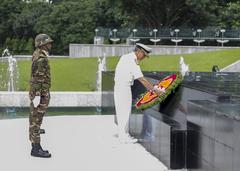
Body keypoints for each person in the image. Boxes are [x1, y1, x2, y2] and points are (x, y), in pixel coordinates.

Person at [114, 43, 164, 144]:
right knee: (124, 112)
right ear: (139, 51)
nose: (144, 58)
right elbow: (142, 80)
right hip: (123, 88)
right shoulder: (132, 61)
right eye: (144, 55)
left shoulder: (125, 57)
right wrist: (155, 90)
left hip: (120, 87)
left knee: (123, 111)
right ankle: (123, 137)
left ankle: (124, 134)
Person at [29, 33, 53, 158]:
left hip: (39, 92)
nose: (50, 44)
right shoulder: (41, 58)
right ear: (42, 44)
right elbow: (38, 78)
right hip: (40, 93)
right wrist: (39, 96)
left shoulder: (38, 54)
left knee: (35, 119)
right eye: (48, 43)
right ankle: (36, 149)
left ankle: (35, 139)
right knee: (36, 120)